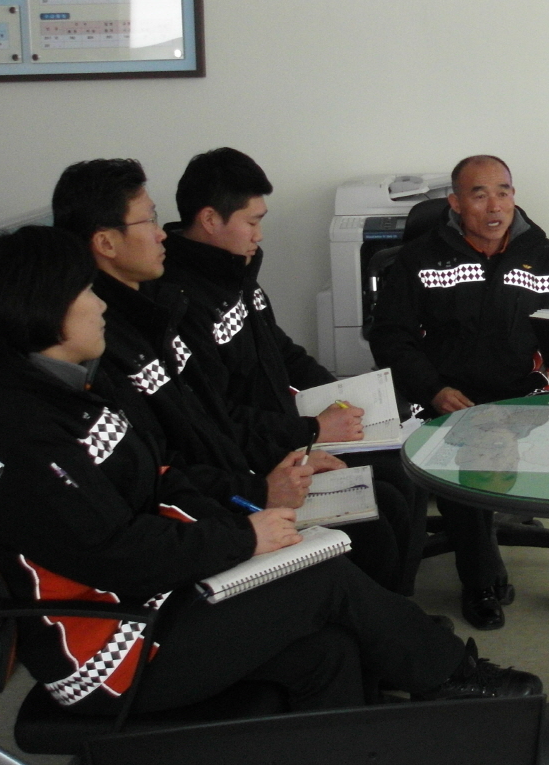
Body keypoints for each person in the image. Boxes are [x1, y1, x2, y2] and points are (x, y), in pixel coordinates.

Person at [0, 225, 541, 717]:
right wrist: (243, 537)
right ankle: (454, 678)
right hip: (113, 649)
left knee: (328, 649)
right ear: (42, 311)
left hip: (158, 597)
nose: (100, 303)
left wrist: (258, 498)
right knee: (323, 581)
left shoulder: (72, 396)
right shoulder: (27, 437)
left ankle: (357, 747)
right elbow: (119, 553)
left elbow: (162, 478)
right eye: (84, 292)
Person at [51, 159, 411, 591]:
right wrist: (270, 477)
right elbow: (171, 465)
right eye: (148, 221)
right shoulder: (126, 339)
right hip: (228, 501)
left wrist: (331, 405)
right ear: (106, 242)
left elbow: (247, 385)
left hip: (254, 466)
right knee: (375, 520)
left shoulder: (172, 303)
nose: (161, 233)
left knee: (394, 481)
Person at [369, 154, 549, 629]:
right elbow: (390, 336)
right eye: (480, 195)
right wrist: (433, 389)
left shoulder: (543, 254)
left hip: (526, 391)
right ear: (455, 203)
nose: (495, 206)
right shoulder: (420, 258)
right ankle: (481, 582)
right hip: (453, 394)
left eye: (503, 192)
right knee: (464, 451)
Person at [160, 147, 365, 453]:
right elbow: (216, 415)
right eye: (252, 223)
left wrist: (339, 393)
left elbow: (279, 351)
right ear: (210, 219)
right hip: (255, 453)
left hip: (286, 433)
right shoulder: (180, 301)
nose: (259, 236)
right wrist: (312, 430)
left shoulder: (235, 269)